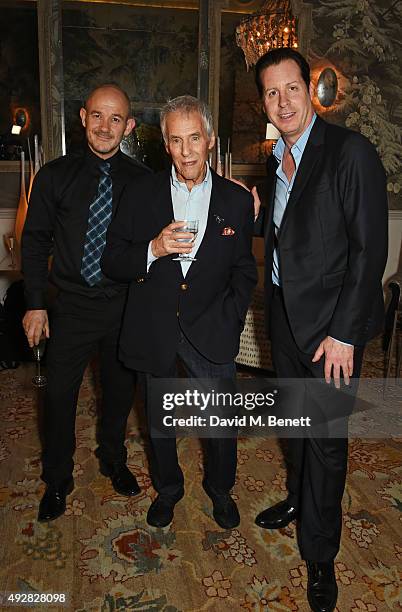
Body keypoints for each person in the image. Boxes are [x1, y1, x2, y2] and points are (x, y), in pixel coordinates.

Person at [252, 49, 388, 612]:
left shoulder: (350, 152)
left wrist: (346, 334)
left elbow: (367, 252)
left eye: (290, 88)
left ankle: (321, 553)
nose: (282, 101)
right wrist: (260, 213)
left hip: (333, 328)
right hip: (285, 315)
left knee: (327, 442)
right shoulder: (276, 158)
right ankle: (298, 500)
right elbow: (294, 232)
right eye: (270, 93)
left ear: (311, 90)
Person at [101, 95, 257, 530]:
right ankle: (169, 489)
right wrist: (154, 248)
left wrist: (232, 315)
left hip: (212, 327)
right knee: (161, 422)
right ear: (165, 145)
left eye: (194, 139)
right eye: (176, 140)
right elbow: (112, 260)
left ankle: (221, 490)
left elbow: (245, 270)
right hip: (154, 328)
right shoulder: (139, 193)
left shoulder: (237, 201)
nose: (187, 151)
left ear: (209, 139)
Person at [22, 84, 151, 522]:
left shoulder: (143, 181)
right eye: (98, 116)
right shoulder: (54, 176)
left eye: (116, 119)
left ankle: (113, 459)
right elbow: (35, 241)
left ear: (128, 126)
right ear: (82, 117)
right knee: (58, 394)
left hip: (122, 304)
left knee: (118, 394)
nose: (105, 126)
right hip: (72, 305)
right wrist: (35, 303)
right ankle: (57, 478)